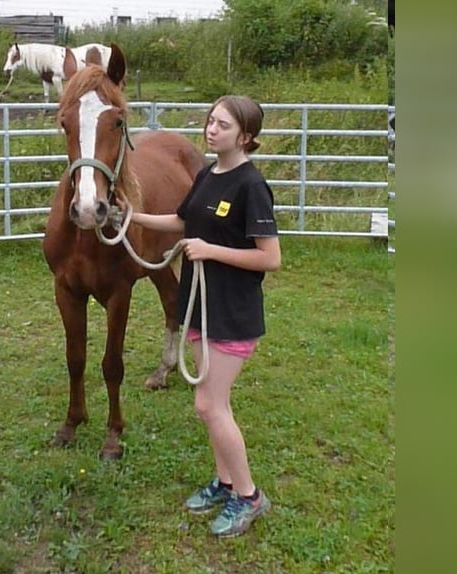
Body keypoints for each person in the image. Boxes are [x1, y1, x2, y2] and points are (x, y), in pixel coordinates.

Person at [125, 95, 281, 538]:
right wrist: (131, 216)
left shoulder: (251, 186)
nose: (212, 130)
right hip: (198, 305)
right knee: (215, 407)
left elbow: (270, 258)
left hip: (232, 312)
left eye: (223, 125)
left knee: (209, 404)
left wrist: (211, 250)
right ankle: (226, 482)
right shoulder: (208, 175)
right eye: (211, 122)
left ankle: (249, 496)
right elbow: (181, 221)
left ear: (246, 137)